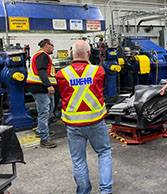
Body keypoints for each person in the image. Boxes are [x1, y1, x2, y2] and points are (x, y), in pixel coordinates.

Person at [56, 40, 112, 194]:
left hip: (73, 125)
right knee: (104, 153)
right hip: (96, 122)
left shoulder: (61, 74)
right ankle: (106, 191)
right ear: (89, 53)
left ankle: (83, 191)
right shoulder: (98, 71)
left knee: (78, 160)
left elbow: (63, 94)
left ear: (71, 53)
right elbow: (102, 88)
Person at [26, 39, 57, 149]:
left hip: (40, 87)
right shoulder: (42, 55)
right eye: (52, 45)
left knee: (49, 109)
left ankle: (40, 130)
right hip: (40, 87)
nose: (53, 48)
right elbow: (41, 71)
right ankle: (44, 139)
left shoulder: (40, 55)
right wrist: (48, 85)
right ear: (47, 45)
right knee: (44, 112)